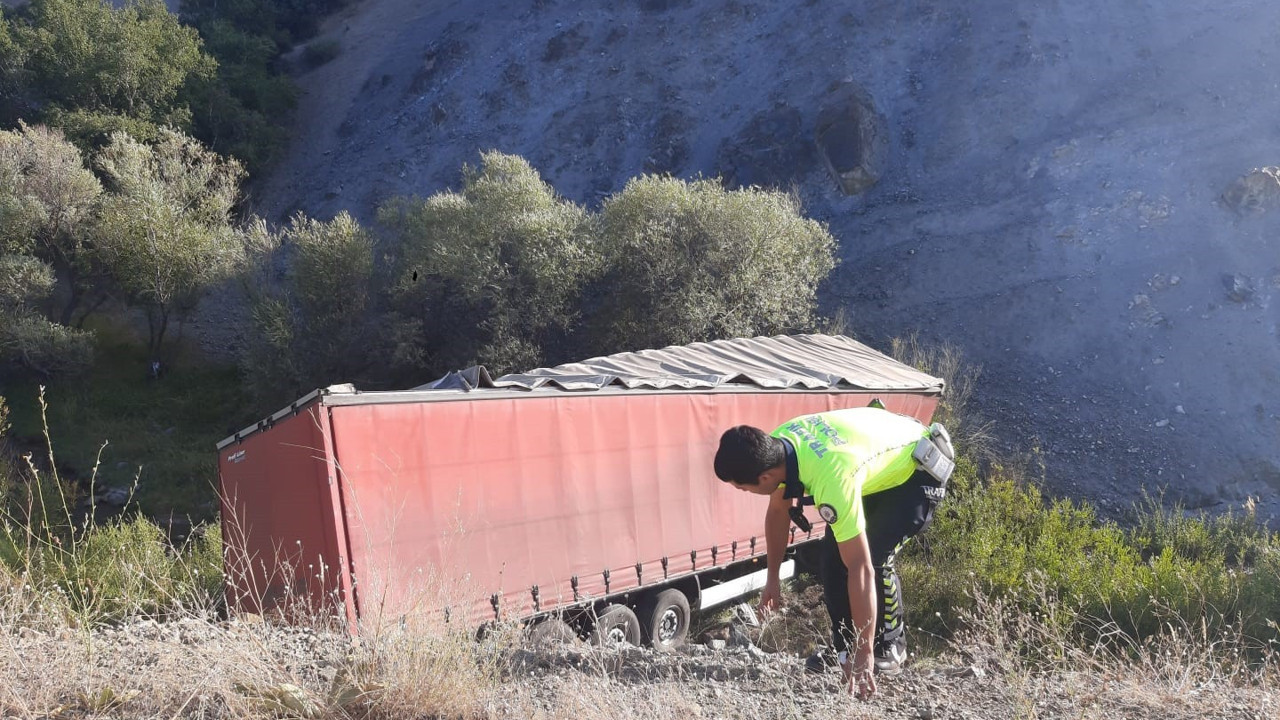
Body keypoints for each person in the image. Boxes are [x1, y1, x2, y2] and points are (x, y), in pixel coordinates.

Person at [713, 406, 953, 699]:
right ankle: (843, 649)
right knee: (831, 558)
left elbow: (860, 568)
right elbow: (778, 511)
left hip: (917, 470)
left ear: (764, 478)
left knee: (873, 557)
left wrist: (866, 652)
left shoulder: (831, 480)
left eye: (743, 488)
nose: (744, 492)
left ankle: (888, 648)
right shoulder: (778, 444)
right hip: (870, 467)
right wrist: (772, 579)